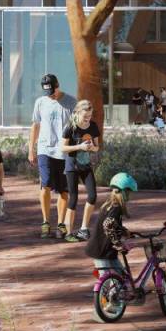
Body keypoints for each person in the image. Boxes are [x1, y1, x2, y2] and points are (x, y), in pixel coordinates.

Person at [30, 73, 70, 242]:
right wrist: (31, 149)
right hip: (44, 149)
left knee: (63, 190)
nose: (50, 94)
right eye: (47, 91)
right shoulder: (40, 102)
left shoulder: (71, 102)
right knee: (45, 184)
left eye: (52, 90)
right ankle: (46, 222)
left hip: (63, 151)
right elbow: (35, 125)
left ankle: (61, 224)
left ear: (57, 85)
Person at [85, 171, 140, 282]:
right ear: (122, 192)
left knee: (123, 276)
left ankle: (120, 295)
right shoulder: (116, 207)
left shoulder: (111, 204)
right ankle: (110, 298)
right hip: (101, 251)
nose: (130, 195)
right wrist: (118, 243)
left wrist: (125, 232)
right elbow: (108, 224)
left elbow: (113, 224)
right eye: (128, 192)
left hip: (107, 251)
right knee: (110, 281)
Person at [62, 101, 103, 242]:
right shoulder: (70, 127)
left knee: (92, 196)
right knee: (73, 198)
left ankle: (84, 228)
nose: (87, 119)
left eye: (89, 116)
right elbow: (63, 148)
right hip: (72, 166)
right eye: (85, 116)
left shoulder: (93, 126)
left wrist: (92, 147)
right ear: (78, 113)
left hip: (86, 165)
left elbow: (97, 147)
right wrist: (79, 146)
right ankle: (68, 233)